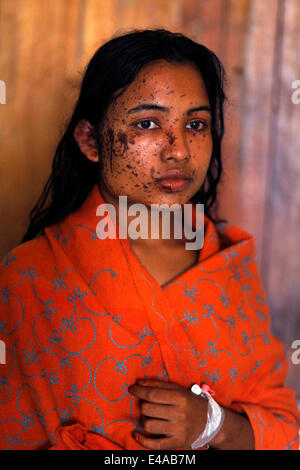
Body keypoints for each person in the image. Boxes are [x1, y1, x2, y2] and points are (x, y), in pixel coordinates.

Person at [0, 28, 299, 451]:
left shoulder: (230, 262)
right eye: (147, 123)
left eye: (195, 124)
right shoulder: (29, 276)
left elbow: (284, 427)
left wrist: (214, 425)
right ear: (90, 141)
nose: (178, 151)